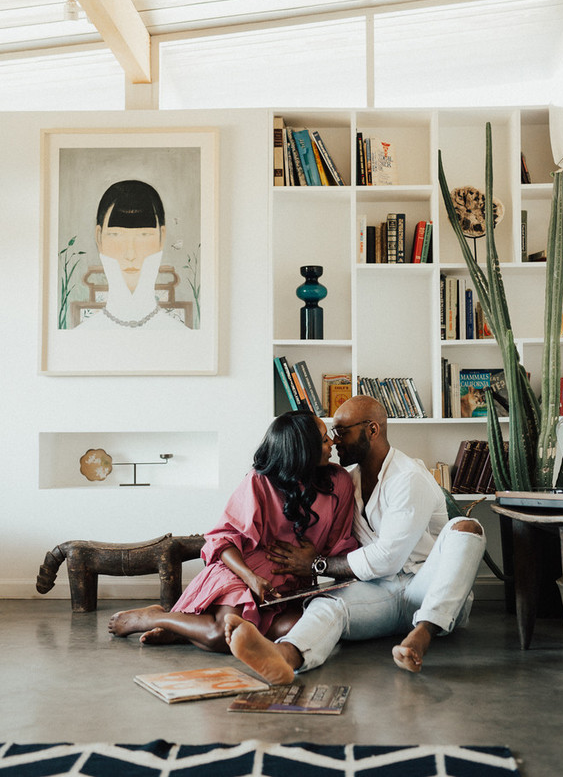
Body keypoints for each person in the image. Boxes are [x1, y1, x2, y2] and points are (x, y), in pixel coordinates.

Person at [224, 395, 486, 680]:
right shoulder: (348, 481)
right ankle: (285, 657)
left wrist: (317, 565)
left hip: (427, 589)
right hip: (378, 595)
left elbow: (387, 558)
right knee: (327, 604)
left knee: (467, 528)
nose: (334, 441)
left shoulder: (408, 478)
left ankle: (422, 634)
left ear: (371, 430)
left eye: (341, 431)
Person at [108, 410, 357, 650]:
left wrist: (315, 560)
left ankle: (184, 630)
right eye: (324, 440)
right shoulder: (260, 480)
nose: (332, 443)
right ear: (303, 448)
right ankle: (155, 617)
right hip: (241, 573)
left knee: (297, 630)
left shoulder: (340, 483)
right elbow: (223, 539)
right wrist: (251, 578)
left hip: (287, 590)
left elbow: (340, 545)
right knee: (221, 635)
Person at [78, 179, 187, 330]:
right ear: (98, 237)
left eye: (144, 235)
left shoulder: (181, 335)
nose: (130, 254)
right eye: (116, 235)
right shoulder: (82, 335)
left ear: (162, 236)